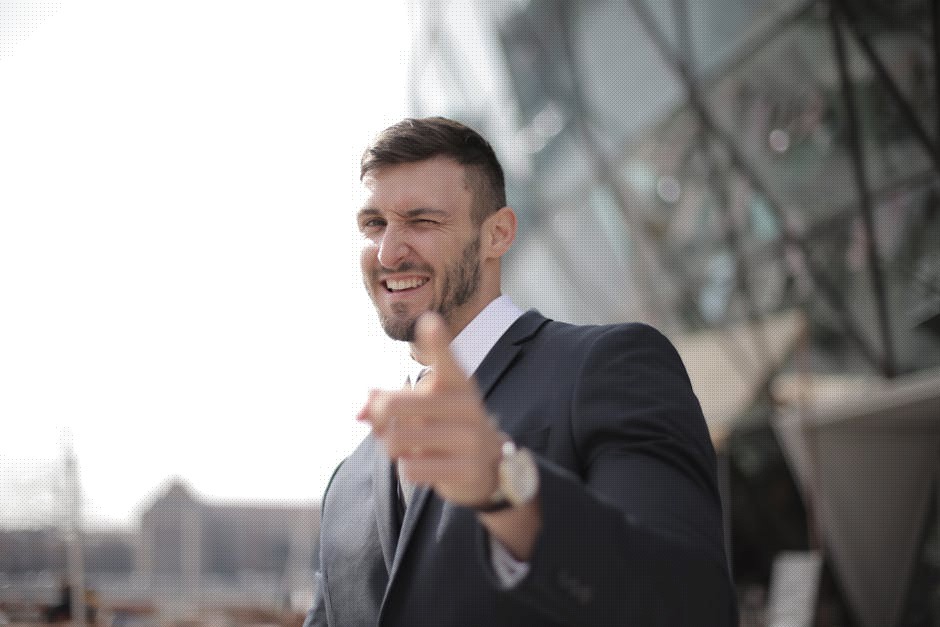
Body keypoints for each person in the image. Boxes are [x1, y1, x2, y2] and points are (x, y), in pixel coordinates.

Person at [304, 117, 737, 626]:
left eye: (422, 221)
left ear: (498, 234)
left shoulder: (611, 368)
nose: (388, 251)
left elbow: (690, 605)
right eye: (373, 225)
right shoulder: (346, 483)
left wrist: (507, 487)